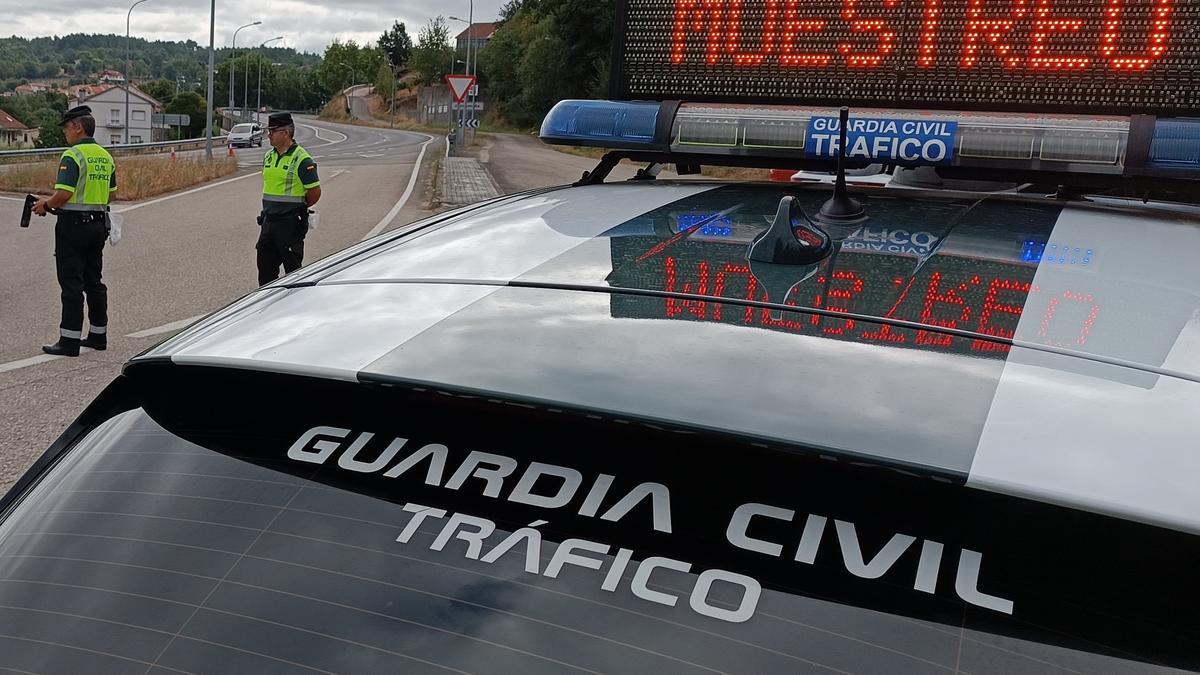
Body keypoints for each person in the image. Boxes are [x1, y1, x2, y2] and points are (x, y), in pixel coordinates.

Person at [35, 105, 116, 357]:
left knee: (71, 283)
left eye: (67, 128)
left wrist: (44, 204)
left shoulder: (73, 155)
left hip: (73, 226)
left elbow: (64, 193)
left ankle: (69, 341)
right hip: (98, 224)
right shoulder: (105, 156)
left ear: (78, 127)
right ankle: (98, 335)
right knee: (94, 281)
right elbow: (112, 193)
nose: (65, 134)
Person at [257, 112, 321, 285]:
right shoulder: (269, 156)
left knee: (293, 276)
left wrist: (296, 207)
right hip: (268, 222)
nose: (268, 135)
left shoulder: (302, 159)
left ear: (285, 133)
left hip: (290, 224)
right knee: (265, 276)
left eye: (272, 131)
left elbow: (314, 193)